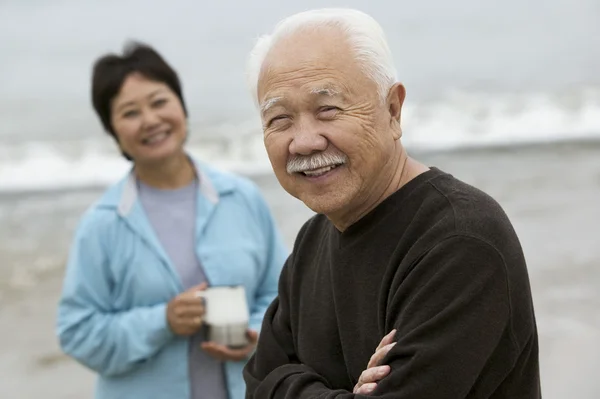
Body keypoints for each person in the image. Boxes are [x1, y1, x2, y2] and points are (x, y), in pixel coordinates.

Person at [243, 8, 541, 398]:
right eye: (279, 119)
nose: (304, 141)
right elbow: (256, 383)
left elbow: (272, 382)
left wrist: (291, 385)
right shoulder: (314, 238)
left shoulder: (459, 239)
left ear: (393, 110)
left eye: (327, 109)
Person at [55, 42, 288, 399]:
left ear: (181, 105)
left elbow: (281, 295)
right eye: (130, 112)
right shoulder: (101, 223)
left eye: (159, 101)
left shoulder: (242, 198)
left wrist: (256, 334)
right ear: (113, 130)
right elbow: (77, 332)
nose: (150, 120)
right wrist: (162, 321)